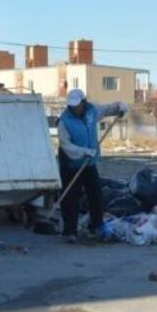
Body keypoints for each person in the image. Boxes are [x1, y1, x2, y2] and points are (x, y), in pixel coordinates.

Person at [57, 88, 128, 243]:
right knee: (71, 197)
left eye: (77, 105)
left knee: (96, 194)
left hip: (89, 162)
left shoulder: (92, 111)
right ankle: (70, 231)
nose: (74, 109)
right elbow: (65, 144)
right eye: (72, 106)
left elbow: (108, 109)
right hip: (71, 163)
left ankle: (97, 225)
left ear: (84, 103)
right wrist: (82, 151)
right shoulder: (64, 121)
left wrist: (119, 106)